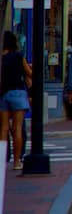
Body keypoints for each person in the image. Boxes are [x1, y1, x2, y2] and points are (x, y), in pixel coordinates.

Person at [1, 31, 32, 171]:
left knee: (4, 128)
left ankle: (2, 158)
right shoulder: (18, 56)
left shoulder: (2, 58)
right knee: (17, 128)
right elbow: (29, 73)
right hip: (18, 93)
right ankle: (17, 161)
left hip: (3, 94)